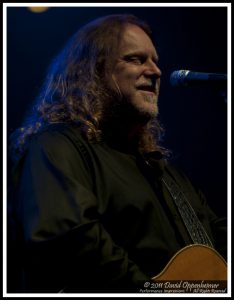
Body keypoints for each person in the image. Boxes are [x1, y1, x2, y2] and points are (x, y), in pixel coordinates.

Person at [8, 14, 227, 293]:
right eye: (136, 59)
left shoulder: (164, 171)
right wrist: (148, 291)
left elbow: (218, 238)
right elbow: (68, 239)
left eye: (155, 61)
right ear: (94, 71)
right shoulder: (55, 146)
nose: (156, 71)